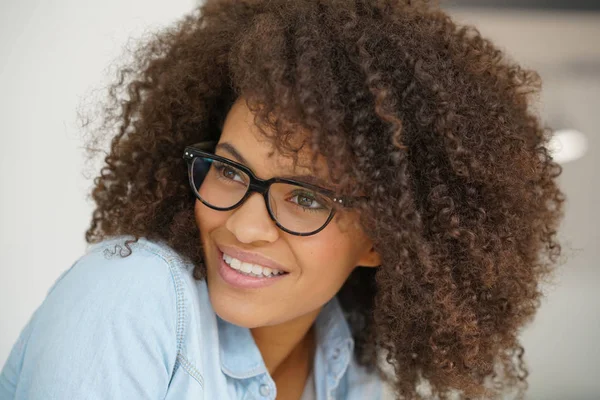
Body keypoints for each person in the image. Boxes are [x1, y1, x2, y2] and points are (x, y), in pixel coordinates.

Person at [0, 0, 565, 399]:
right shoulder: (129, 296)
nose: (244, 228)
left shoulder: (347, 363)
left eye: (306, 199)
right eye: (228, 169)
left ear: (379, 240)